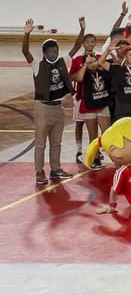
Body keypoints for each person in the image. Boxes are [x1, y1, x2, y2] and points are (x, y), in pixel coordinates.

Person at [20, 20, 71, 187]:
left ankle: (56, 169)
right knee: (40, 143)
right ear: (44, 53)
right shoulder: (37, 65)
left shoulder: (62, 62)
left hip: (58, 107)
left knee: (56, 142)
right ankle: (39, 171)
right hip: (42, 107)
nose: (53, 53)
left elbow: (76, 48)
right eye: (50, 51)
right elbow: (25, 51)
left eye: (55, 50)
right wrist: (26, 33)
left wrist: (82, 29)